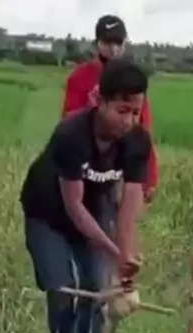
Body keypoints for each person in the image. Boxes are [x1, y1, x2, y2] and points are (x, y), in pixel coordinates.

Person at [20, 58, 151, 333]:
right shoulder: (71, 135)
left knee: (97, 286)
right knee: (63, 289)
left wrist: (126, 257)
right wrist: (114, 250)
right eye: (122, 110)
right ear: (99, 100)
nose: (129, 121)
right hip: (48, 212)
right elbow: (73, 206)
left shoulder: (137, 141)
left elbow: (128, 204)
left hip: (95, 207)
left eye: (136, 112)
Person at [62, 15, 158, 204]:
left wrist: (150, 177)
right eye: (107, 42)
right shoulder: (79, 77)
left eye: (118, 43)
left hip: (118, 167)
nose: (113, 49)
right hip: (84, 164)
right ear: (96, 42)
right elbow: (67, 122)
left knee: (116, 215)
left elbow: (143, 129)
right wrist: (93, 109)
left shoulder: (132, 79)